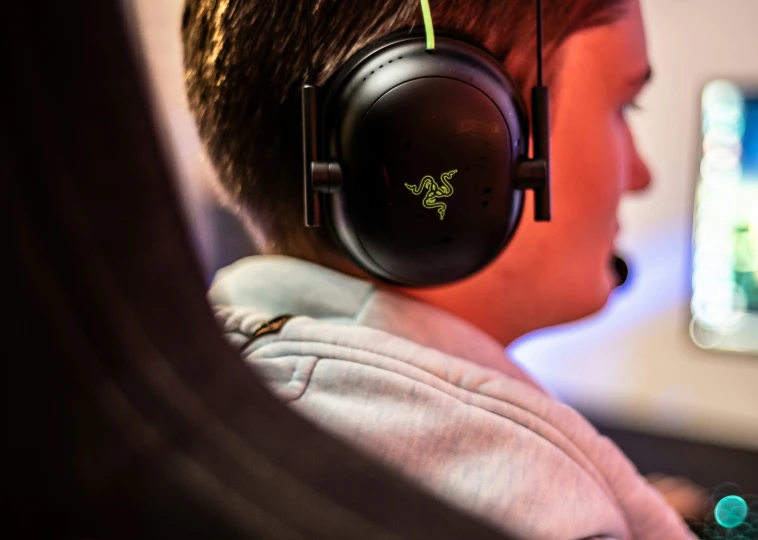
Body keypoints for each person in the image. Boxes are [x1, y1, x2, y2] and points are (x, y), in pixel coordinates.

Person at [182, 0, 700, 538]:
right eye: (624, 106)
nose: (642, 174)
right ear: (444, 138)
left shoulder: (244, 395)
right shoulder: (529, 508)